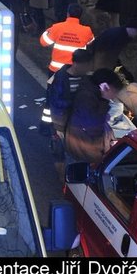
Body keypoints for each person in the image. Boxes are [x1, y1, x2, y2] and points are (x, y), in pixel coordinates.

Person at [41, 48, 94, 177]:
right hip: (61, 124)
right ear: (77, 64)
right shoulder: (60, 78)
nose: (88, 68)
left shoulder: (85, 77)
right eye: (86, 65)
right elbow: (57, 103)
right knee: (60, 154)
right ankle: (64, 181)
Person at [65, 68, 123, 164]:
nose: (114, 96)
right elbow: (94, 127)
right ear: (105, 87)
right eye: (114, 92)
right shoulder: (87, 97)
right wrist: (104, 100)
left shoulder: (93, 93)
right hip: (80, 143)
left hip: (82, 139)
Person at [40, 3, 95, 72]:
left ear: (68, 14)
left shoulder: (57, 27)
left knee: (53, 83)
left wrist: (48, 31)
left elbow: (43, 42)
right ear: (80, 16)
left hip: (56, 69)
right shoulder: (87, 30)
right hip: (75, 70)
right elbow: (91, 43)